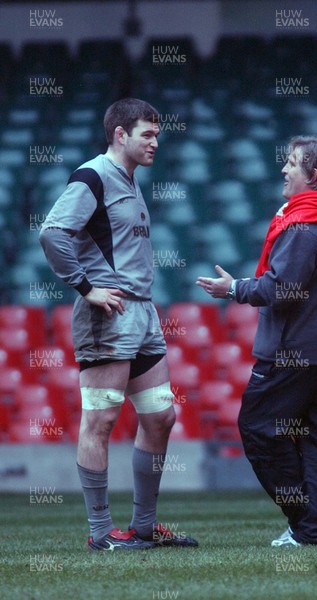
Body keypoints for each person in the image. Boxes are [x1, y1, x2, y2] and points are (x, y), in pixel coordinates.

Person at [40, 98, 198, 551]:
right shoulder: (92, 176)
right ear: (119, 135)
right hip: (107, 316)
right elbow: (52, 232)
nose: (155, 142)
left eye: (157, 135)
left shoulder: (129, 180)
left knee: (161, 418)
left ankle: (144, 528)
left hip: (141, 315)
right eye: (147, 134)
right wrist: (86, 288)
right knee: (102, 420)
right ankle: (100, 533)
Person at [196, 135, 317, 546]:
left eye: (292, 163)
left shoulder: (304, 224)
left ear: (315, 175)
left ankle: (305, 520)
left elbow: (280, 289)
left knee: (256, 427)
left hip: (295, 352)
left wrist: (234, 288)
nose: (283, 170)